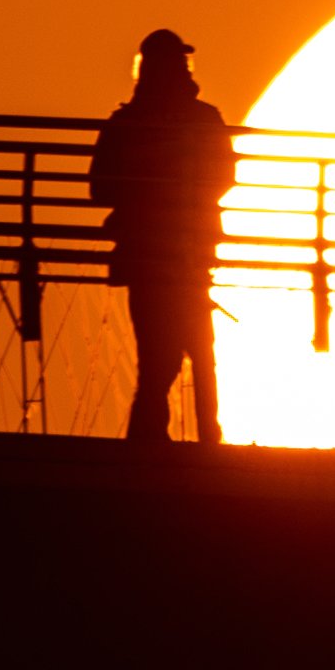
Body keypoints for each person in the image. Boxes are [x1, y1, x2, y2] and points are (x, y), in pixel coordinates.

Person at [88, 28, 236, 444]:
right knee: (189, 351)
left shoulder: (127, 122)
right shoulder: (204, 118)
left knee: (163, 351)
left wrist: (146, 191)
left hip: (148, 250)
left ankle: (154, 437)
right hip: (185, 247)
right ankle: (196, 437)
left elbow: (100, 186)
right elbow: (225, 176)